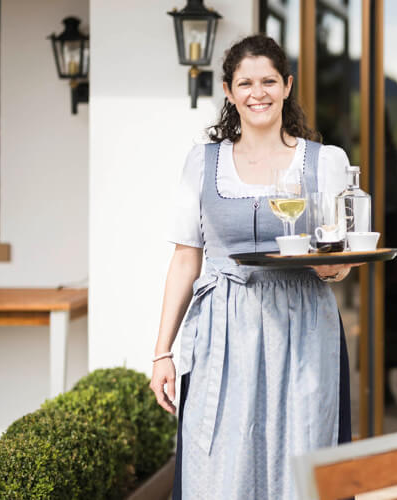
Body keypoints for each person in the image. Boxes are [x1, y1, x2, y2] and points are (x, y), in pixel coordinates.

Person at [149, 34, 356, 499]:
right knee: (219, 459)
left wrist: (334, 270)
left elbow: (338, 256)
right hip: (223, 326)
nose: (256, 93)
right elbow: (186, 258)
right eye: (245, 83)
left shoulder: (326, 162)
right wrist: (163, 352)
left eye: (267, 81)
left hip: (302, 323)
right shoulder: (202, 163)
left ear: (286, 86)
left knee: (303, 455)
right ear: (228, 91)